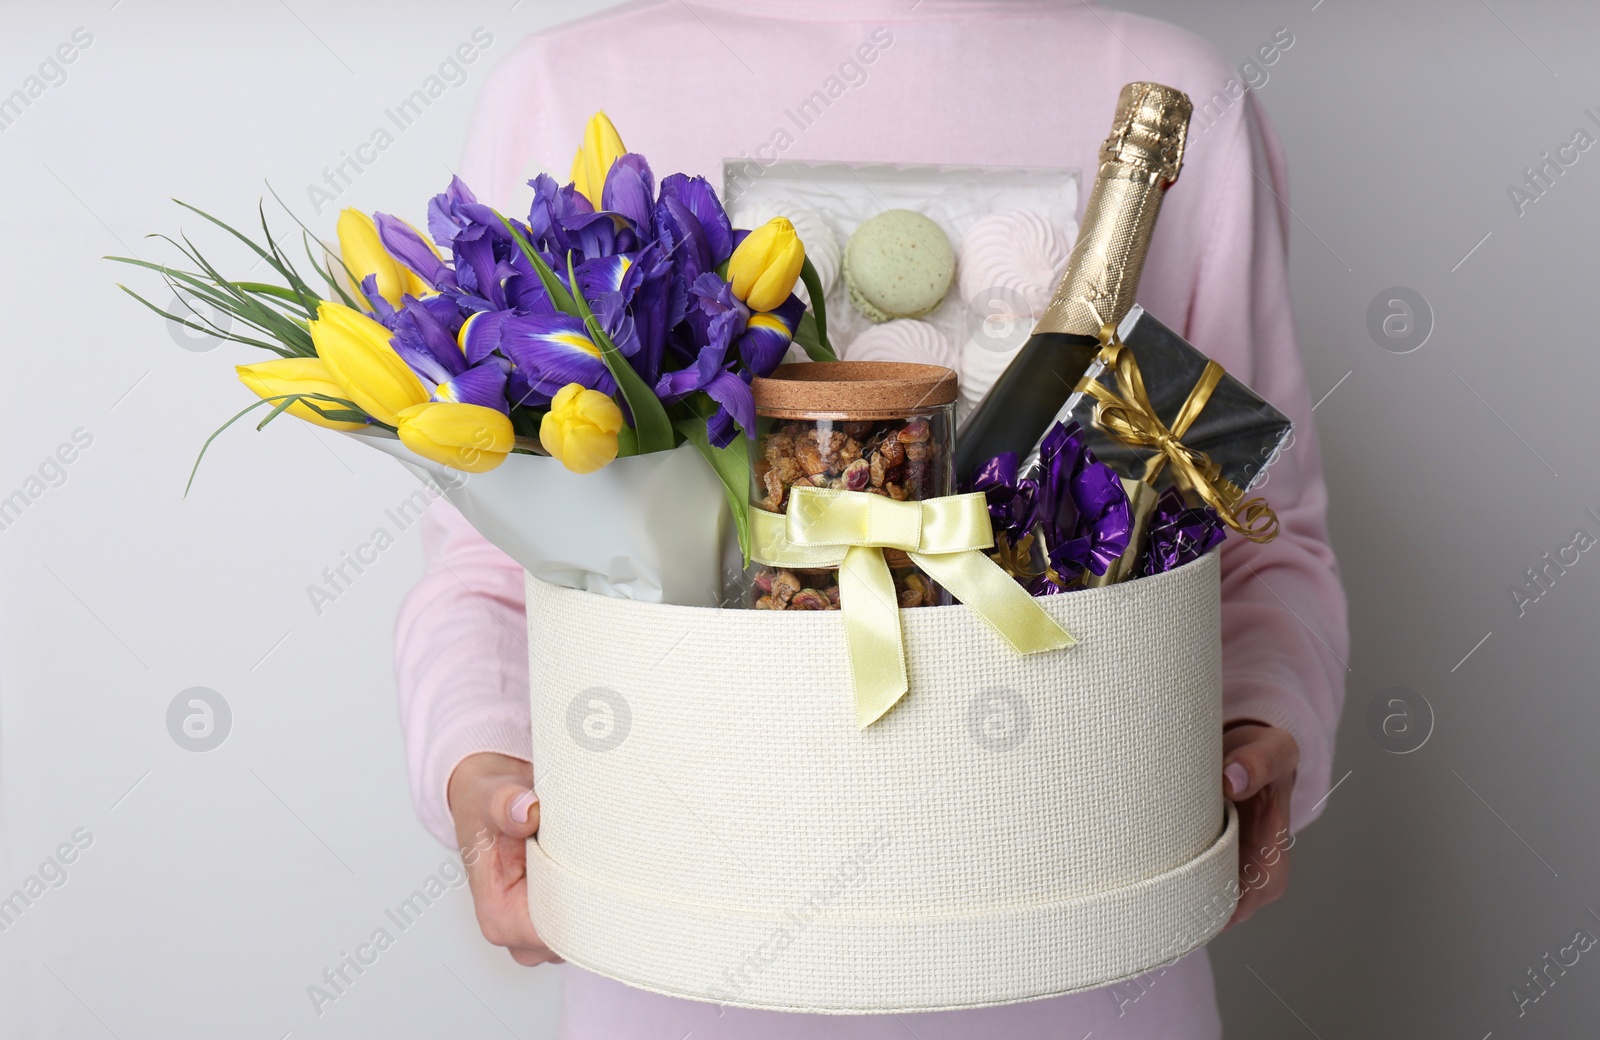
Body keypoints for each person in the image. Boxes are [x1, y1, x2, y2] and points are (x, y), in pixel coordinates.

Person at [395, 1, 1348, 1036]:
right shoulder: (566, 85)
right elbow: (489, 566)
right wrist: (479, 762)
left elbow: (1261, 540)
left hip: (1076, 951)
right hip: (685, 950)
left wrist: (1264, 724)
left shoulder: (1172, 85)